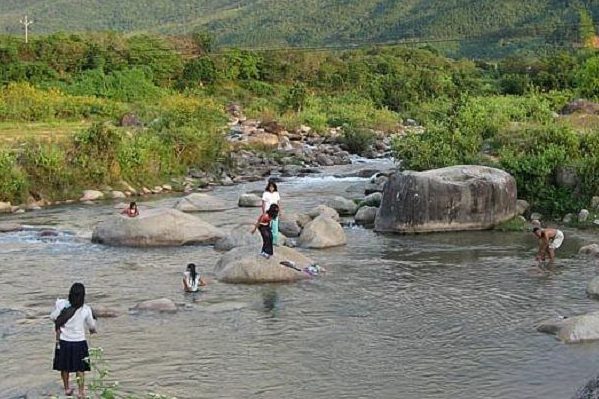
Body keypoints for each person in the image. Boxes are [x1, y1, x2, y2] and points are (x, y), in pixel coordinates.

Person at [50, 283, 97, 398]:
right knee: (80, 368)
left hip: (64, 341)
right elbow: (91, 325)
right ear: (83, 295)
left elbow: (53, 317)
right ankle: (81, 392)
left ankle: (67, 388)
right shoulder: (86, 309)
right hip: (79, 342)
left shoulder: (62, 305)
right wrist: (92, 329)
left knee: (64, 367)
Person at [262, 181, 281, 245]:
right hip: (268, 212)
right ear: (268, 187)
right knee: (268, 227)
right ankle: (268, 241)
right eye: (270, 187)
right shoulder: (265, 193)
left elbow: (278, 203)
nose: (271, 188)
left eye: (273, 187)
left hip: (275, 212)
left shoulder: (277, 193)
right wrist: (263, 212)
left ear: (274, 187)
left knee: (275, 227)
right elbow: (263, 203)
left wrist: (280, 211)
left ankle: (275, 242)